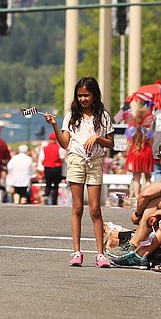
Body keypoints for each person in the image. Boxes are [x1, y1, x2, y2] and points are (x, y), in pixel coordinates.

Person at [44, 76, 114, 268]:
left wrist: (97, 138)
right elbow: (65, 143)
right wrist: (55, 125)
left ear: (94, 95)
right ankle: (76, 251)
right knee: (77, 207)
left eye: (86, 95)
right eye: (80, 95)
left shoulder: (103, 116)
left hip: (95, 161)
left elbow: (111, 143)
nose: (83, 99)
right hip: (76, 160)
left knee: (95, 209)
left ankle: (100, 253)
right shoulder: (71, 115)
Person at [40, 132, 65, 205]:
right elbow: (62, 158)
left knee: (48, 184)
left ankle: (46, 197)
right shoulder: (59, 148)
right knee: (56, 186)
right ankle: (54, 201)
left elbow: (42, 160)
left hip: (47, 167)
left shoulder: (44, 148)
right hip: (57, 167)